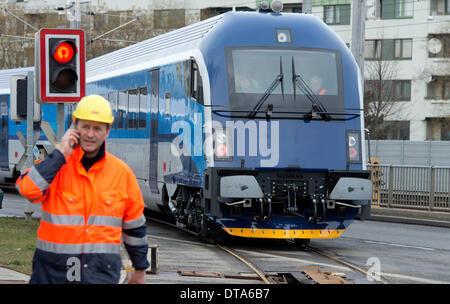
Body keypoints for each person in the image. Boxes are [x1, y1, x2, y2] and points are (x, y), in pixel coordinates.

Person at [15, 95, 149, 284]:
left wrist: (140, 268)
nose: (90, 134)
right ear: (74, 127)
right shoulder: (55, 166)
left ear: (107, 131)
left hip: (99, 274)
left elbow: (135, 227)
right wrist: (61, 154)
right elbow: (27, 189)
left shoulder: (122, 174)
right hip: (52, 274)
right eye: (85, 126)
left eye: (97, 128)